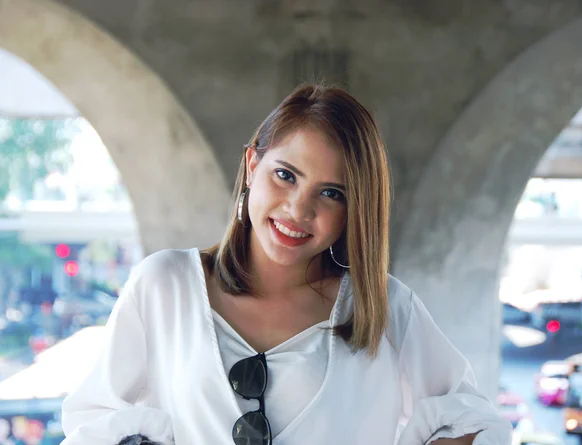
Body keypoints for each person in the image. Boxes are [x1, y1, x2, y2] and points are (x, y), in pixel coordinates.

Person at [60, 84, 512, 445]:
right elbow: (93, 422)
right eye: (286, 175)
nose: (299, 209)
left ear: (355, 209)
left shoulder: (384, 308)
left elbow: (474, 418)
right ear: (252, 164)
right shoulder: (165, 286)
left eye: (331, 193)